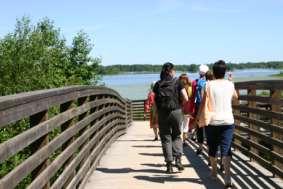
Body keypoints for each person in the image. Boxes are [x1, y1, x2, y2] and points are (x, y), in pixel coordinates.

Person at [201, 60, 238, 188]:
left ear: (214, 72)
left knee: (212, 147)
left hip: (212, 121)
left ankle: (214, 172)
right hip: (228, 121)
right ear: (225, 72)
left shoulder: (208, 85)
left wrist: (198, 118)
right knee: (226, 149)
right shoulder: (230, 84)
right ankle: (227, 178)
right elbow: (236, 98)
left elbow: (203, 103)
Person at [153, 62, 188, 174]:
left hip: (163, 113)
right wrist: (179, 104)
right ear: (171, 71)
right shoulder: (177, 82)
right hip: (176, 111)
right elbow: (186, 98)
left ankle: (169, 166)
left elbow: (154, 103)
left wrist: (156, 115)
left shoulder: (158, 84)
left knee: (166, 138)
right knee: (177, 136)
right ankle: (178, 160)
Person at [194, 64, 209, 155]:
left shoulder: (196, 82)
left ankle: (200, 148)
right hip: (208, 108)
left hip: (199, 106)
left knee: (199, 128)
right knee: (209, 130)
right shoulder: (210, 82)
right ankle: (210, 152)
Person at [179, 74, 196, 144]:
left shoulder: (179, 87)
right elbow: (191, 97)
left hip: (180, 107)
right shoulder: (190, 87)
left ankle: (181, 140)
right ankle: (184, 140)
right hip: (188, 107)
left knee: (181, 124)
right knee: (186, 124)